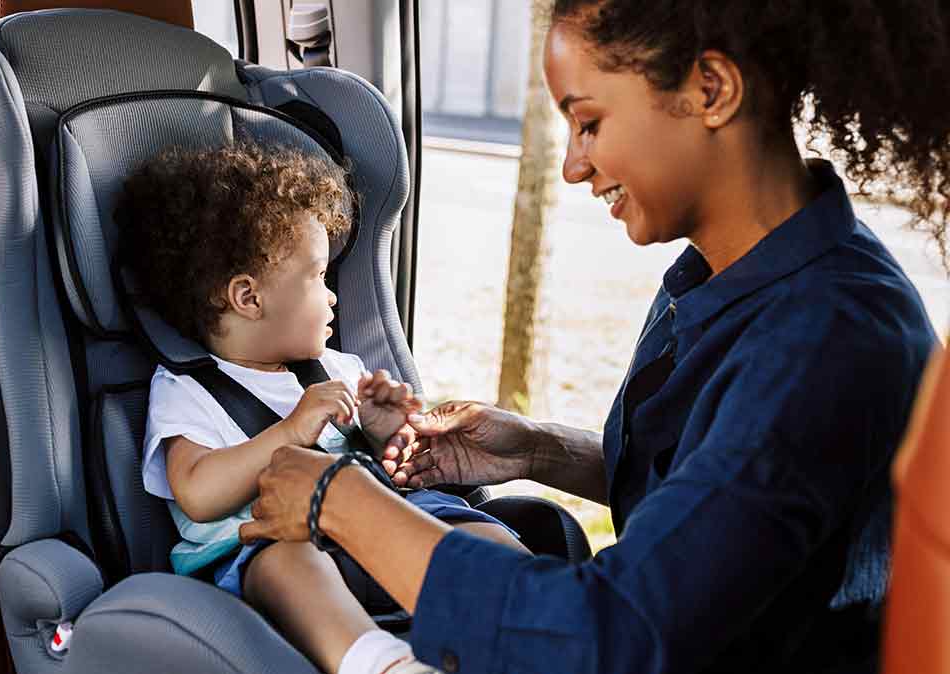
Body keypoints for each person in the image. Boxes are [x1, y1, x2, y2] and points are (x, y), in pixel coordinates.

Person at [239, 2, 949, 672]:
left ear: (711, 89)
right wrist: (539, 449)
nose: (574, 165)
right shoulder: (731, 278)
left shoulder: (826, 343)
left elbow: (611, 637)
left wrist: (341, 499)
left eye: (590, 123)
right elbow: (726, 504)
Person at [115, 142, 526, 674]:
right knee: (286, 568)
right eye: (317, 277)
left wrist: (385, 431)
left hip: (375, 524)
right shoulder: (187, 389)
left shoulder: (337, 367)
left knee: (473, 531)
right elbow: (195, 492)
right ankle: (380, 663)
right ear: (248, 297)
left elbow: (388, 469)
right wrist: (290, 430)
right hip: (271, 544)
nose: (333, 296)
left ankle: (535, 624)